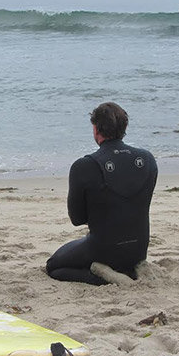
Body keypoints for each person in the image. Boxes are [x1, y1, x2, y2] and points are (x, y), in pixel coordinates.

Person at [46, 102, 158, 285]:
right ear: (124, 128)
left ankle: (104, 277)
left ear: (96, 129)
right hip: (137, 251)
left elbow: (77, 219)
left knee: (53, 266)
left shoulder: (84, 166)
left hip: (103, 250)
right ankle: (130, 271)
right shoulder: (148, 159)